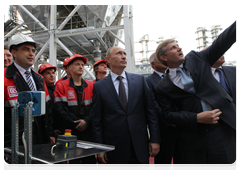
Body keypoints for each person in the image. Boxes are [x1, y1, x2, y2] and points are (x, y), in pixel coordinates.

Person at [155, 20, 238, 170]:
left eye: (178, 45)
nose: (179, 48)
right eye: (173, 48)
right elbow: (169, 115)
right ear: (164, 58)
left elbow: (223, 41)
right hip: (192, 140)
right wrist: (197, 118)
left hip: (221, 131)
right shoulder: (162, 87)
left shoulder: (197, 58)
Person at [91, 46, 160, 170]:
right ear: (108, 60)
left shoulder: (140, 81)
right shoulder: (99, 87)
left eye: (125, 54)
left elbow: (151, 112)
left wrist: (155, 139)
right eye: (119, 54)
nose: (123, 56)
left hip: (139, 146)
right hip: (115, 148)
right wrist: (100, 148)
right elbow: (97, 120)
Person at [4, 33, 51, 169]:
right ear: (14, 52)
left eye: (33, 50)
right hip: (12, 145)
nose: (31, 54)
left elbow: (48, 110)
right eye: (26, 49)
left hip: (39, 142)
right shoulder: (4, 78)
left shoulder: (39, 79)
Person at [54, 54, 96, 170]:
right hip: (69, 131)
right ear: (70, 68)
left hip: (87, 131)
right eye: (77, 64)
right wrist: (75, 122)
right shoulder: (61, 85)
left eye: (82, 64)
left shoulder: (91, 86)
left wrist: (87, 121)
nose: (81, 67)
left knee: (90, 162)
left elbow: (95, 107)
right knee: (72, 163)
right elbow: (60, 109)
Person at [146, 53, 179, 170]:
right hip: (164, 130)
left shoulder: (175, 77)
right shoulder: (148, 81)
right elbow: (153, 106)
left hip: (182, 128)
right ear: (153, 64)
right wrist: (171, 120)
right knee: (163, 164)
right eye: (159, 59)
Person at [38, 63, 59, 142]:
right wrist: (51, 133)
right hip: (47, 133)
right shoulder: (40, 92)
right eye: (48, 73)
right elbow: (46, 115)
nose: (52, 75)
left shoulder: (58, 90)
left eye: (53, 73)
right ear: (41, 76)